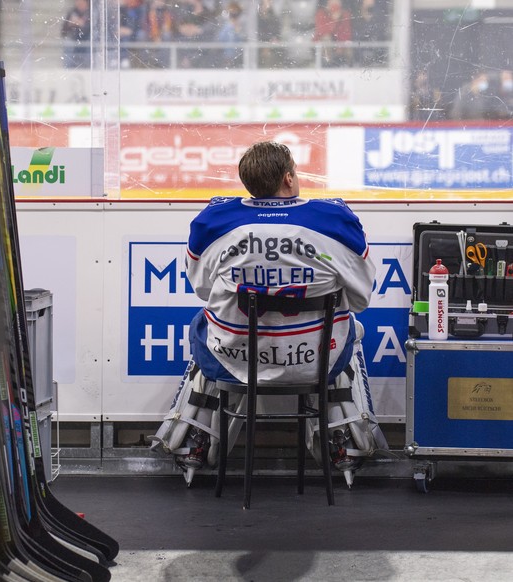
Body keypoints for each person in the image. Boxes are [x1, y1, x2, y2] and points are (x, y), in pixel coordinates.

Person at [151, 141, 388, 487]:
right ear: (289, 178)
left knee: (204, 327)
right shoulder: (335, 220)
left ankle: (194, 443)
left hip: (236, 360)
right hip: (315, 362)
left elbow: (202, 289)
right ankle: (345, 443)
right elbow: (361, 297)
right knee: (347, 329)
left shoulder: (214, 221)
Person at [314, 0, 352, 67]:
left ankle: (348, 66)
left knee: (349, 46)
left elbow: (346, 33)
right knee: (326, 39)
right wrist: (334, 20)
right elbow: (322, 31)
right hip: (323, 44)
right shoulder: (321, 13)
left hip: (339, 44)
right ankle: (327, 64)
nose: (334, 3)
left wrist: (340, 46)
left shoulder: (345, 14)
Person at [61, 0, 91, 68]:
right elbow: (63, 31)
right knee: (68, 44)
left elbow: (91, 29)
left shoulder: (91, 13)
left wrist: (81, 24)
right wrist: (70, 24)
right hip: (73, 38)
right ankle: (68, 68)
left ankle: (86, 67)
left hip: (87, 38)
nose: (79, 3)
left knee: (89, 45)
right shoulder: (72, 12)